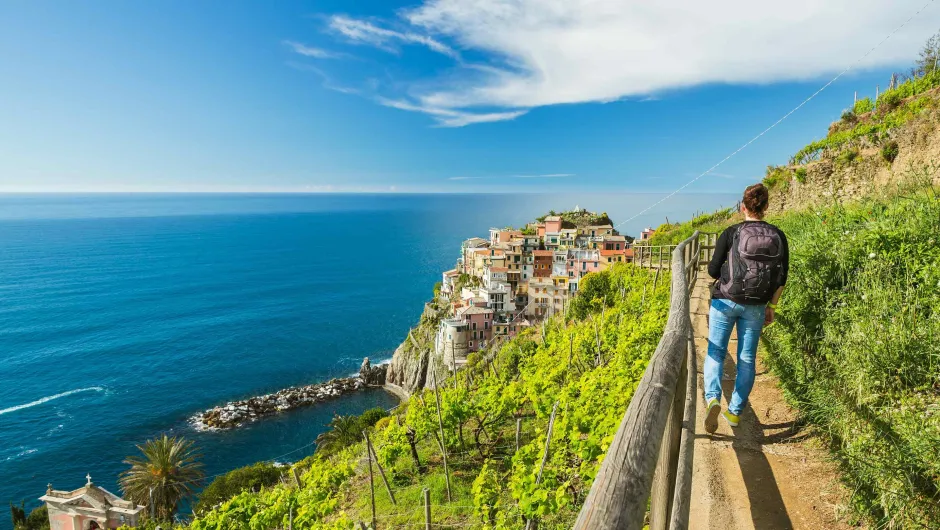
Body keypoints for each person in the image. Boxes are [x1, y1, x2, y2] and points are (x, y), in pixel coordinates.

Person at [703, 183, 789, 433]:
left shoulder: (731, 232)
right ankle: (735, 412)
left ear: (743, 206)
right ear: (766, 207)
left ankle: (712, 398)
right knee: (747, 359)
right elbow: (782, 277)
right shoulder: (778, 235)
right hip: (756, 305)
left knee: (715, 352)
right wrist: (772, 306)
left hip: (725, 300)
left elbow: (711, 271)